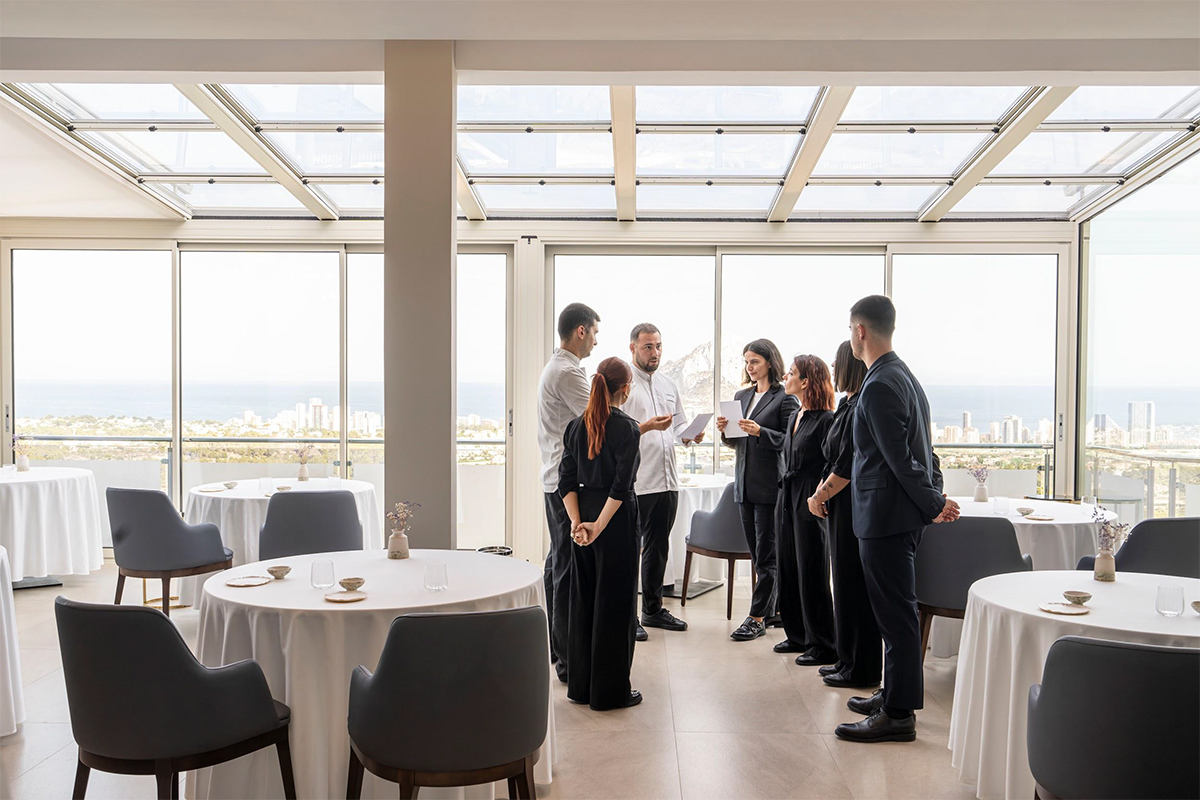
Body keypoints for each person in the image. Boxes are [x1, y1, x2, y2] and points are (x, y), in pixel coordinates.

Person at [836, 295, 960, 744]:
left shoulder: (880, 384)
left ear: (861, 331)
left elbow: (901, 459)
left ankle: (898, 714)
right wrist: (935, 495)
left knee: (896, 617)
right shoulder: (903, 376)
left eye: (851, 329)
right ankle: (893, 692)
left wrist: (933, 501)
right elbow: (926, 451)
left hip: (886, 517)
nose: (850, 336)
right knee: (896, 613)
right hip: (897, 515)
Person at [558, 356, 643, 710]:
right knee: (616, 604)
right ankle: (610, 693)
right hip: (614, 521)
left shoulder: (576, 426)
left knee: (584, 601)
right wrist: (597, 527)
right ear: (625, 389)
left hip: (583, 520)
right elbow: (621, 488)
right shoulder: (628, 428)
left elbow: (564, 481)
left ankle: (580, 687)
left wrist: (579, 524)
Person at [807, 341, 882, 690]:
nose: (833, 369)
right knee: (845, 584)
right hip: (840, 503)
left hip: (852, 503)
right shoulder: (848, 403)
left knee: (854, 585)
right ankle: (847, 659)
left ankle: (860, 667)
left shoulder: (857, 407)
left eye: (838, 363)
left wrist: (820, 494)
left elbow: (848, 464)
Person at [624, 323, 703, 640]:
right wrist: (646, 427)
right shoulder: (625, 385)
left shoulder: (670, 384)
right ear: (633, 348)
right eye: (647, 347)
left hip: (668, 481)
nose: (654, 352)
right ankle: (629, 618)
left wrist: (691, 435)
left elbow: (680, 428)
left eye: (658, 346)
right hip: (638, 482)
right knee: (631, 551)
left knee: (658, 548)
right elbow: (617, 430)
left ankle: (653, 610)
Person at [537, 302, 600, 684]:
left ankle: (549, 644)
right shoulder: (568, 373)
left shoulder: (556, 367)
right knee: (566, 569)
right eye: (594, 332)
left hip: (553, 478)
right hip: (566, 481)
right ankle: (567, 661)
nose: (595, 339)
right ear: (580, 331)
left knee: (555, 562)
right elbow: (599, 419)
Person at [718, 339, 797, 643]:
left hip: (769, 485)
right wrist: (727, 432)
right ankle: (772, 609)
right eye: (746, 362)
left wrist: (761, 431)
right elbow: (737, 441)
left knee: (767, 555)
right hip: (744, 485)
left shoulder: (783, 397)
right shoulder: (742, 396)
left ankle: (757, 617)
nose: (749, 367)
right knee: (757, 554)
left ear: (769, 362)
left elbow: (789, 440)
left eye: (754, 362)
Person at [775, 354, 837, 665]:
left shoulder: (826, 419)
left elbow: (831, 464)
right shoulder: (795, 415)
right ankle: (797, 635)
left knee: (811, 568)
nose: (785, 377)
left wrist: (819, 495)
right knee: (787, 565)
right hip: (787, 495)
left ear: (806, 381)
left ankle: (822, 643)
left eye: (791, 373)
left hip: (810, 495)